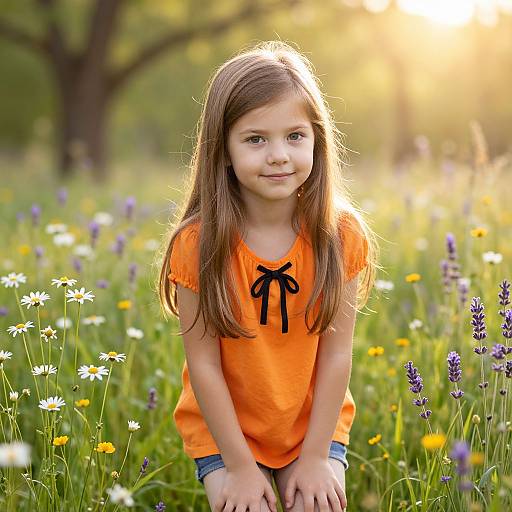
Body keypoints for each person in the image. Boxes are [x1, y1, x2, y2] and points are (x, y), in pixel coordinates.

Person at [158, 40, 378, 512]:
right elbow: (205, 367)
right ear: (223, 150)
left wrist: (317, 456)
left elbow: (337, 355)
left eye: (295, 136)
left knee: (316, 505)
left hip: (310, 426)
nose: (279, 154)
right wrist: (239, 468)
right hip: (226, 432)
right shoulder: (199, 245)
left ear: (317, 138)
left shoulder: (339, 235)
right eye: (256, 139)